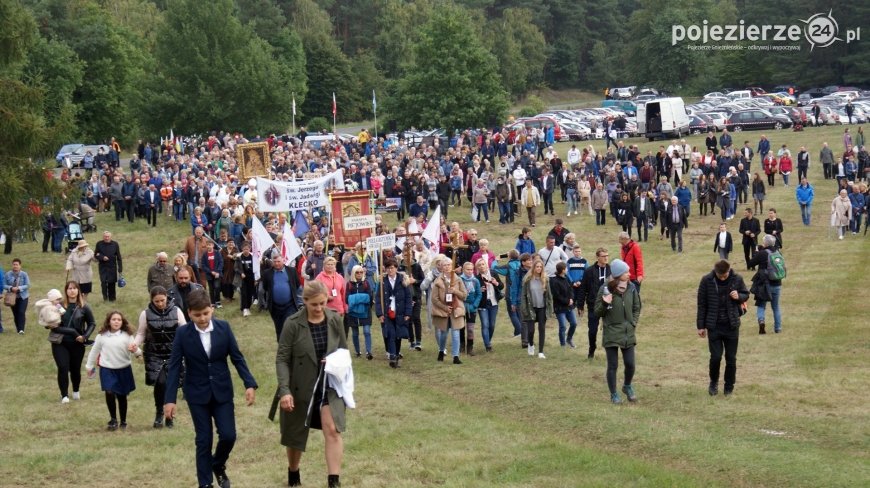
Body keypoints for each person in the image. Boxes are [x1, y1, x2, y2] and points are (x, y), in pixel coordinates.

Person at [164, 289, 258, 488]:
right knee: (203, 439)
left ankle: (218, 464)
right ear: (189, 313)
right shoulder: (183, 334)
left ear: (212, 309)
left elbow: (237, 357)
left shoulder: (224, 328)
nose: (202, 318)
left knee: (228, 435)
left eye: (206, 313)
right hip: (196, 393)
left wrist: (249, 383)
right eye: (197, 315)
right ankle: (205, 484)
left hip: (222, 391)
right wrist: (169, 399)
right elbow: (174, 366)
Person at [276, 281, 348, 488]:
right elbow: (282, 358)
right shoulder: (292, 324)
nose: (318, 308)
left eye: (322, 303)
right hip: (300, 385)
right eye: (314, 304)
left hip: (329, 385)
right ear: (304, 301)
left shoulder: (335, 319)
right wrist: (284, 390)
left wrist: (336, 363)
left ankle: (333, 480)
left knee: (333, 430)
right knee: (295, 435)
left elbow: (344, 351)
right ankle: (293, 471)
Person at [135, 286, 186, 429]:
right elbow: (141, 333)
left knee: (171, 384)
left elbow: (184, 330)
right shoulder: (145, 314)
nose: (160, 303)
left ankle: (170, 416)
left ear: (166, 298)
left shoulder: (177, 311)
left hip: (173, 353)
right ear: (152, 300)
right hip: (154, 354)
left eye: (162, 300)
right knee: (160, 383)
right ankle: (159, 412)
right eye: (156, 301)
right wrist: (135, 344)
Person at [696, 260, 750, 396]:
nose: (722, 278)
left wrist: (739, 296)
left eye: (725, 275)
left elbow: (746, 294)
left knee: (731, 358)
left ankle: (729, 386)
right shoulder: (706, 280)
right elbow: (702, 304)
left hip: (731, 325)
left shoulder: (737, 279)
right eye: (720, 276)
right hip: (714, 326)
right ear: (715, 272)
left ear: (729, 270)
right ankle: (713, 382)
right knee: (715, 357)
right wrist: (700, 326)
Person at [594, 259, 641, 404]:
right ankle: (614, 394)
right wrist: (604, 303)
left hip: (628, 331)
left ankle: (627, 386)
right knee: (613, 365)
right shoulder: (605, 289)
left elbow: (637, 307)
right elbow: (597, 312)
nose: (629, 274)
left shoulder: (632, 287)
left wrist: (633, 322)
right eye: (626, 272)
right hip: (611, 331)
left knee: (630, 364)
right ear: (618, 274)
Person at [86, 310, 140, 431]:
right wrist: (89, 366)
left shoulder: (127, 335)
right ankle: (113, 419)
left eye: (119, 320)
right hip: (107, 369)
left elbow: (137, 351)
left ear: (122, 322)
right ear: (109, 321)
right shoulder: (102, 336)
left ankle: (123, 421)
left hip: (123, 369)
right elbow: (94, 351)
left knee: (121, 396)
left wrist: (136, 352)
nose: (116, 322)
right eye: (114, 319)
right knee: (109, 391)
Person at [45, 284, 97, 403]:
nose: (72, 291)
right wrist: (72, 332)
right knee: (63, 368)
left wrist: (85, 336)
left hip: (77, 344)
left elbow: (92, 323)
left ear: (78, 291)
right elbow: (52, 325)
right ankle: (64, 395)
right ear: (66, 291)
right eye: (70, 288)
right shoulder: (58, 306)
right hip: (60, 342)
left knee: (75, 369)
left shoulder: (84, 307)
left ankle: (76, 390)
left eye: (74, 288)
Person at [374, 259, 412, 368]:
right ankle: (393, 357)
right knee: (391, 334)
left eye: (392, 268)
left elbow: (408, 297)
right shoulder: (382, 282)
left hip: (400, 312)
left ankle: (395, 353)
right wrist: (379, 314)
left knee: (398, 335)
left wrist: (407, 313)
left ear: (396, 268)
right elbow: (378, 298)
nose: (390, 270)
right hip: (387, 312)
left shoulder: (402, 280)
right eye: (388, 268)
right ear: (385, 269)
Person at [430, 258, 468, 364]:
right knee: (444, 333)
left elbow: (464, 295)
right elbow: (434, 299)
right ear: (441, 267)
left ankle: (455, 356)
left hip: (456, 310)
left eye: (449, 265)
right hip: (444, 311)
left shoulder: (458, 279)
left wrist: (455, 291)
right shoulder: (438, 281)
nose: (447, 267)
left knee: (456, 333)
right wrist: (444, 307)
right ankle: (441, 351)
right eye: (445, 265)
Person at [577, 248, 611, 359]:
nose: (606, 258)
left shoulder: (611, 270)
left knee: (609, 329)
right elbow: (583, 289)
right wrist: (580, 305)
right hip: (593, 305)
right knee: (592, 331)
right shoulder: (589, 271)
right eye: (603, 256)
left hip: (609, 305)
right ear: (597, 257)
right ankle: (592, 349)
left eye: (607, 255)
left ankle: (610, 352)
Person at [748, 235, 784, 334]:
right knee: (776, 307)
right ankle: (778, 328)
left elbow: (750, 263)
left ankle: (761, 321)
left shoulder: (763, 253)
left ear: (765, 243)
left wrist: (756, 252)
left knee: (761, 305)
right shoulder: (778, 252)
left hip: (764, 284)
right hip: (777, 283)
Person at [261, 253, 301, 341]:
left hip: (290, 305)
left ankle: (292, 344)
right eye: (274, 262)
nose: (277, 264)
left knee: (289, 325)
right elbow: (265, 287)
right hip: (275, 307)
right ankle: (281, 347)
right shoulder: (267, 273)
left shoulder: (291, 271)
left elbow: (297, 285)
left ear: (283, 260)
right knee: (279, 328)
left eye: (279, 261)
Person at [520, 258, 553, 359]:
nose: (538, 268)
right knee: (531, 331)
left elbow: (549, 296)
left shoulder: (545, 279)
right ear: (533, 267)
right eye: (537, 267)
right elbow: (524, 295)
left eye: (540, 267)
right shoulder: (527, 280)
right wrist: (524, 309)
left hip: (542, 308)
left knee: (542, 329)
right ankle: (530, 344)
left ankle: (541, 352)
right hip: (531, 308)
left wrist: (550, 308)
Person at [345, 265, 374, 360]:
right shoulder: (349, 284)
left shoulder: (366, 283)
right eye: (357, 272)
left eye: (361, 272)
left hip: (365, 311)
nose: (359, 274)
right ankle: (357, 351)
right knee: (354, 333)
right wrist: (362, 298)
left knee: (367, 331)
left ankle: (369, 351)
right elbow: (347, 299)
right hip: (353, 312)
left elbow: (369, 297)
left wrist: (355, 298)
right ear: (353, 273)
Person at [475, 258, 503, 353]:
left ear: (487, 265)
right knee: (485, 324)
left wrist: (496, 283)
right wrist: (479, 290)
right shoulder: (476, 278)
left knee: (492, 325)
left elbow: (501, 286)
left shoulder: (493, 273)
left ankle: (488, 341)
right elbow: (473, 291)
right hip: (483, 304)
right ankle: (488, 345)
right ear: (477, 268)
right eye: (479, 265)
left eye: (483, 264)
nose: (482, 266)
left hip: (494, 302)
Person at [550, 262, 577, 349]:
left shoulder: (567, 278)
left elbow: (571, 289)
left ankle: (569, 339)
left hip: (569, 306)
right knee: (563, 326)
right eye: (566, 268)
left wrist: (572, 299)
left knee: (574, 323)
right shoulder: (554, 281)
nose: (567, 270)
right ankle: (563, 345)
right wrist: (566, 301)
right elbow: (556, 295)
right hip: (560, 308)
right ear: (562, 270)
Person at [94, 231, 123, 302]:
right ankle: (105, 298)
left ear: (110, 237)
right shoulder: (99, 244)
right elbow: (96, 254)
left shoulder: (115, 244)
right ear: (103, 237)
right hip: (102, 266)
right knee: (103, 282)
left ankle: (112, 299)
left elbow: (119, 257)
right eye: (105, 236)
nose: (106, 238)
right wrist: (102, 257)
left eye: (108, 236)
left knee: (112, 283)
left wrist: (120, 268)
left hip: (112, 266)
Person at [4, 258, 30, 334]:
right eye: (14, 264)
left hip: (23, 297)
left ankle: (21, 329)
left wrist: (19, 288)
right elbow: (4, 285)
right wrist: (11, 288)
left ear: (20, 266)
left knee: (21, 312)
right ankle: (18, 329)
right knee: (15, 313)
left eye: (17, 265)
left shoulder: (24, 274)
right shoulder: (8, 274)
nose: (15, 266)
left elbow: (28, 285)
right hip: (12, 298)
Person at [200, 241, 224, 308]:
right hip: (209, 275)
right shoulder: (204, 255)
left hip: (217, 274)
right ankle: (213, 302)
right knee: (211, 289)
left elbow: (221, 262)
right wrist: (211, 272)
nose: (208, 246)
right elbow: (203, 265)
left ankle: (218, 302)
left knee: (217, 287)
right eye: (207, 245)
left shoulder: (217, 253)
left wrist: (217, 271)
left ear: (213, 245)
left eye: (210, 245)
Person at [235, 243, 256, 317]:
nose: (245, 251)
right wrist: (241, 273)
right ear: (242, 250)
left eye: (247, 249)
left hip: (251, 278)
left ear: (249, 249)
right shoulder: (239, 257)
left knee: (249, 293)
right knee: (244, 293)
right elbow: (236, 268)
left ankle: (248, 307)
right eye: (244, 249)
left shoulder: (253, 257)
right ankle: (245, 308)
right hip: (243, 278)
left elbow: (256, 267)